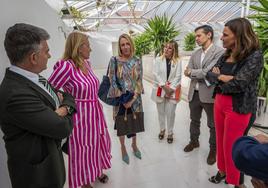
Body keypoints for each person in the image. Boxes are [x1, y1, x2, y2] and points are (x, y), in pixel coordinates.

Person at [0, 23, 76, 188]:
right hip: (38, 178)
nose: (49, 55)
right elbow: (62, 128)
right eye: (46, 51)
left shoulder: (34, 78)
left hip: (51, 166)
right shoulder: (15, 94)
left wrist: (64, 109)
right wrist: (63, 111)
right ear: (33, 57)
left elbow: (68, 96)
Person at [48, 31, 112, 188]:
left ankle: (96, 170)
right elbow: (49, 88)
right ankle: (83, 181)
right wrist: (63, 102)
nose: (90, 49)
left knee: (96, 143)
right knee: (82, 149)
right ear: (79, 47)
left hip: (94, 113)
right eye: (88, 46)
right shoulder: (66, 66)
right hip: (80, 117)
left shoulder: (87, 64)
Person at [206, 18, 264, 188]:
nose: (221, 38)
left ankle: (236, 183)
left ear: (238, 36)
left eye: (225, 35)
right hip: (219, 102)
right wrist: (223, 77)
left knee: (233, 147)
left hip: (238, 108)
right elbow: (210, 75)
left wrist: (220, 77)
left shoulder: (255, 55)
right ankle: (222, 171)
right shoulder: (226, 54)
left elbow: (239, 83)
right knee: (220, 140)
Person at [184, 25, 224, 165]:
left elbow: (208, 73)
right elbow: (187, 70)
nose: (196, 38)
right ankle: (194, 142)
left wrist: (193, 72)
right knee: (194, 120)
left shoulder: (219, 52)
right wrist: (195, 72)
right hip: (193, 93)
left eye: (199, 35)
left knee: (212, 125)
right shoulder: (195, 53)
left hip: (209, 94)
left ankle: (213, 150)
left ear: (209, 35)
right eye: (195, 36)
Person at [108, 34, 143, 164]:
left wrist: (132, 100)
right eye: (122, 45)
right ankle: (123, 147)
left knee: (134, 123)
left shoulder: (137, 60)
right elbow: (112, 80)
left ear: (131, 44)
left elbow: (139, 81)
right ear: (120, 47)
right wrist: (123, 100)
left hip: (135, 99)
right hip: (120, 99)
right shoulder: (114, 60)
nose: (125, 47)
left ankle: (134, 145)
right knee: (121, 125)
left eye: (127, 43)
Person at [151, 40, 182, 143]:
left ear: (174, 50)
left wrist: (170, 90)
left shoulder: (178, 61)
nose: (166, 49)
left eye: (169, 48)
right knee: (161, 112)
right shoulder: (158, 59)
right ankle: (162, 129)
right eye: (165, 47)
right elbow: (155, 74)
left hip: (172, 91)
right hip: (160, 89)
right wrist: (164, 86)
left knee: (171, 113)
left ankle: (170, 132)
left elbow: (178, 76)